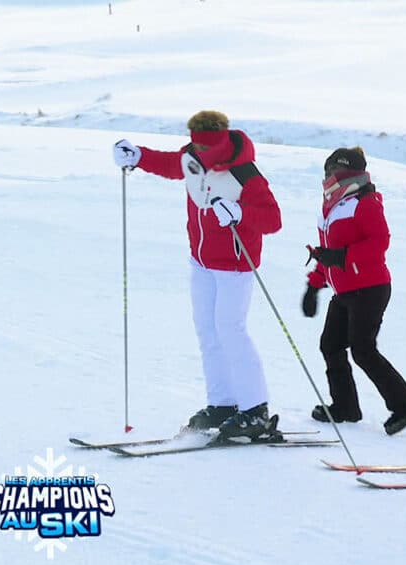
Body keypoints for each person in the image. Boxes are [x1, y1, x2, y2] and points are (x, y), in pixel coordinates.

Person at [112, 110, 282, 439]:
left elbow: (273, 220)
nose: (198, 153)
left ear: (220, 143)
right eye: (195, 146)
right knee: (208, 331)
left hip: (235, 264)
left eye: (205, 149)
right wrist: (138, 157)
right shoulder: (192, 156)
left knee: (231, 330)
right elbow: (172, 165)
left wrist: (239, 212)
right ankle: (223, 403)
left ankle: (256, 410)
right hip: (201, 261)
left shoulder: (245, 173)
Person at [302, 147, 406, 436]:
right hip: (345, 290)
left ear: (348, 173)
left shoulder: (364, 202)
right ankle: (345, 407)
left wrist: (342, 257)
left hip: (370, 288)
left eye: (334, 170)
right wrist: (315, 285)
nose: (329, 176)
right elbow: (327, 253)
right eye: (327, 170)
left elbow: (379, 242)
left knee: (363, 350)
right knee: (330, 345)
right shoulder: (331, 207)